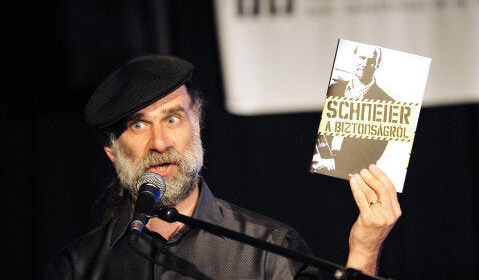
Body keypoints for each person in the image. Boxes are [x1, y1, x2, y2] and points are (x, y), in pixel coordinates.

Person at [45, 53, 401, 279]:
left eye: (172, 119)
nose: (159, 142)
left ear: (197, 124)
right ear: (112, 151)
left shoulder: (268, 249)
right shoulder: (78, 267)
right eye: (138, 125)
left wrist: (364, 251)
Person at [312, 44, 394, 178]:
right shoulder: (333, 89)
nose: (365, 63)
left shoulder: (388, 104)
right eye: (362, 57)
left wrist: (330, 164)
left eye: (371, 61)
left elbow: (373, 153)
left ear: (378, 64)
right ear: (354, 58)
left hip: (353, 178)